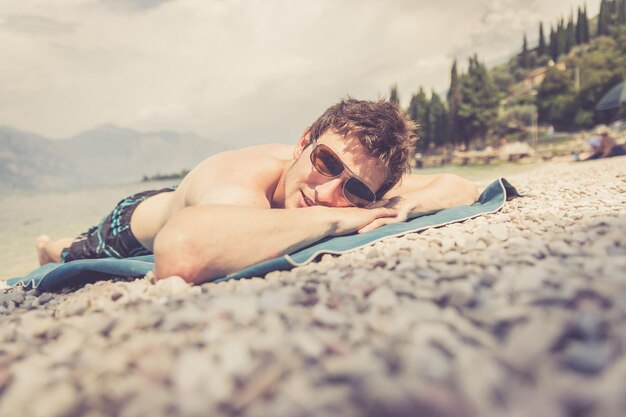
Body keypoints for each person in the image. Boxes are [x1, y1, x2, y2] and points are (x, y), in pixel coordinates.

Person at [36, 98, 479, 284]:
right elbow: (182, 251)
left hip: (194, 198)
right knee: (69, 252)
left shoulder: (356, 181)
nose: (327, 191)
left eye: (358, 189)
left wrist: (398, 206)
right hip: (132, 225)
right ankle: (47, 246)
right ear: (304, 142)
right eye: (326, 162)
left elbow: (459, 185)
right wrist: (343, 216)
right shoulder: (240, 183)